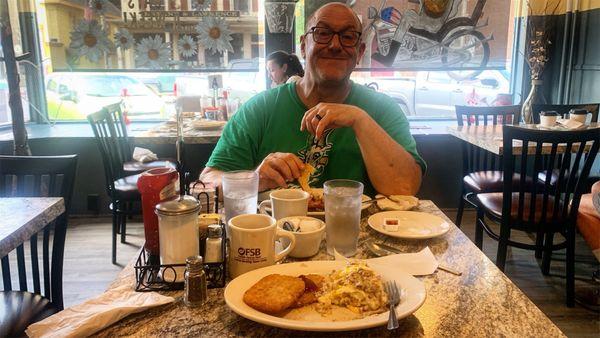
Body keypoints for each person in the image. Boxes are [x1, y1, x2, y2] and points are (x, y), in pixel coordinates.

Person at [201, 2, 425, 196]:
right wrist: (254, 180)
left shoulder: (381, 109)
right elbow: (205, 186)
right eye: (323, 33)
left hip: (354, 240)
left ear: (359, 52)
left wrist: (360, 120)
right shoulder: (260, 109)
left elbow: (405, 188)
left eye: (348, 37)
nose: (335, 45)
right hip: (276, 241)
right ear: (303, 45)